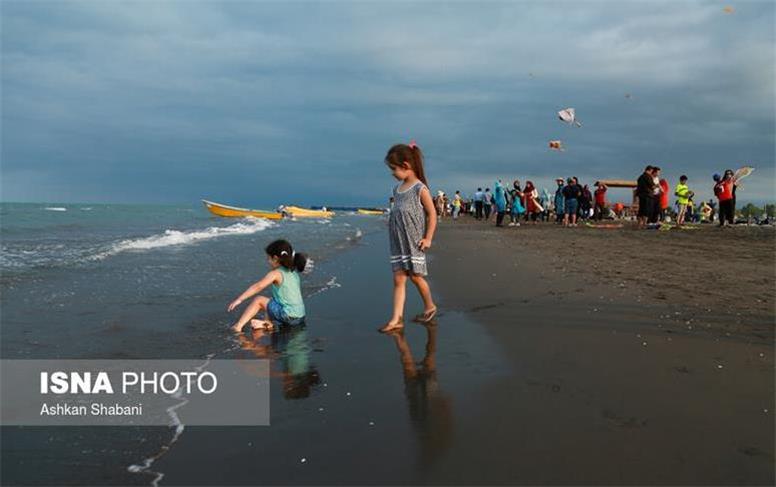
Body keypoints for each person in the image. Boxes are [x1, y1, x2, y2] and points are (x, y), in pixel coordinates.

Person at [380, 141, 437, 333]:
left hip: (413, 241)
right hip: (397, 241)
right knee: (399, 279)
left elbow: (432, 214)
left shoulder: (419, 189)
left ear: (406, 166)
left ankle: (429, 306)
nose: (393, 173)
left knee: (416, 277)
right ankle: (396, 318)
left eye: (394, 169)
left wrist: (428, 238)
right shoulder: (396, 190)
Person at [228, 239, 307, 332]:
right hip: (300, 317)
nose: (268, 261)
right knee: (272, 300)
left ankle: (238, 326)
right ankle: (267, 323)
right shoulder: (293, 272)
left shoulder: (276, 273)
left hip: (289, 317)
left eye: (268, 258)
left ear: (275, 258)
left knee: (259, 300)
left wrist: (239, 299)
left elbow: (258, 286)